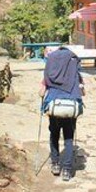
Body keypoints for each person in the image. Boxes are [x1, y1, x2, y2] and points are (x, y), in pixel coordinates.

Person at [39, 45, 85, 181]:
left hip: (54, 108)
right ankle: (66, 170)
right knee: (69, 138)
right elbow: (83, 92)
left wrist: (45, 93)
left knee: (54, 135)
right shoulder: (75, 74)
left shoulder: (50, 74)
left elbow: (41, 92)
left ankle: (55, 164)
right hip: (70, 109)